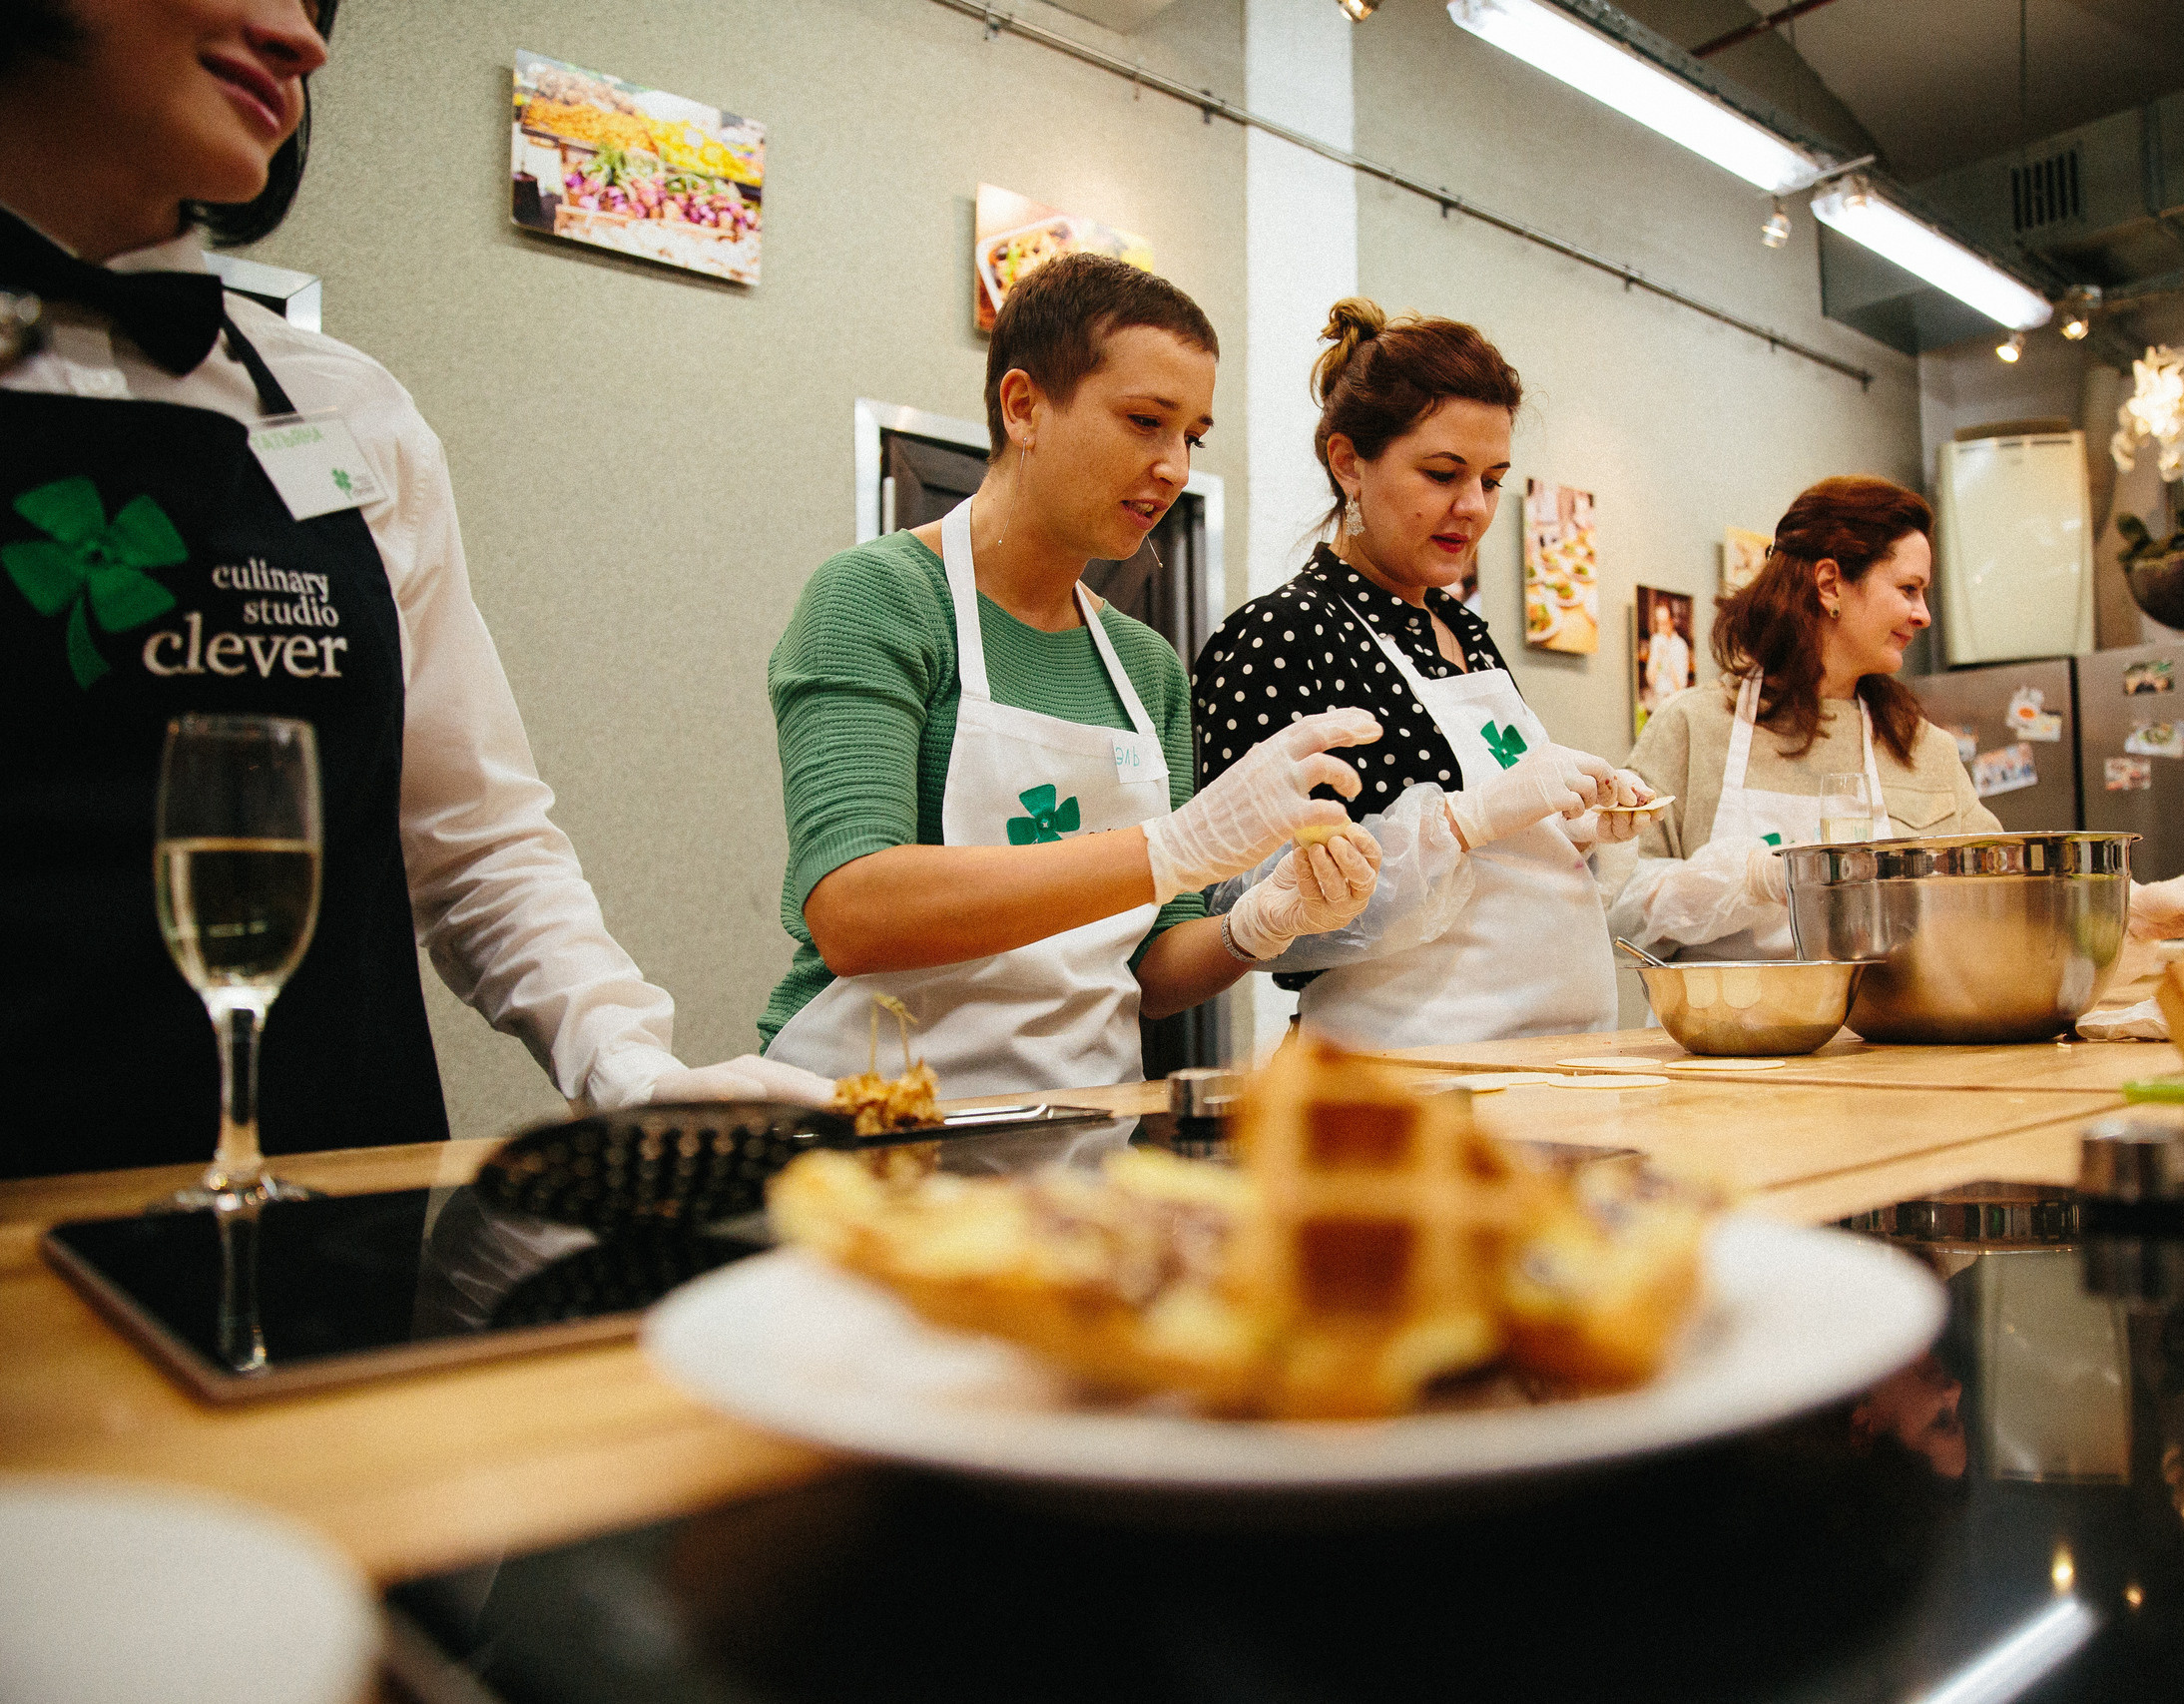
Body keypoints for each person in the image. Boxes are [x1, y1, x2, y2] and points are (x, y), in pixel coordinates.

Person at [0, 0, 827, 1181]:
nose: (303, 38)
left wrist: (635, 1071)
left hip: (336, 1202)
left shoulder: (345, 409)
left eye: (318, 2)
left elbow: (476, 838)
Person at [761, 254, 1382, 1096]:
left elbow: (1150, 968)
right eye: (1143, 421)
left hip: (1076, 1137)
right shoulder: (877, 600)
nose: (1174, 466)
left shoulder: (1143, 666)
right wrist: (1175, 846)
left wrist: (1258, 924)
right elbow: (855, 911)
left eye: (1191, 436)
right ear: (1024, 407)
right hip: (869, 1126)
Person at [1188, 299, 1649, 1050]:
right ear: (1348, 463)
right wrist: (1462, 823)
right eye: (1442, 474)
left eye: (1493, 480)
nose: (1472, 508)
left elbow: (1500, 854)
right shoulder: (1282, 635)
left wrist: (1576, 829)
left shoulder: (1462, 627)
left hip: (1558, 1059)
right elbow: (1241, 904)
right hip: (1400, 1074)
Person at [1609, 475, 2184, 962]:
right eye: (1909, 589)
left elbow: (2009, 895)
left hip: (1891, 1063)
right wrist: (1750, 878)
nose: (1924, 615)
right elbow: (1617, 904)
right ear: (1831, 583)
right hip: (1723, 1074)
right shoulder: (1694, 727)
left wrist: (2137, 909)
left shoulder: (1923, 750)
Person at [1639, 595, 1692, 724]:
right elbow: (1651, 679)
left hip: (1673, 701)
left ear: (1671, 621)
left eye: (1664, 623)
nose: (1661, 627)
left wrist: (1668, 656)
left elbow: (1680, 686)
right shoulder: (1656, 640)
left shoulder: (1680, 646)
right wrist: (1657, 656)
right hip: (1656, 698)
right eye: (1658, 623)